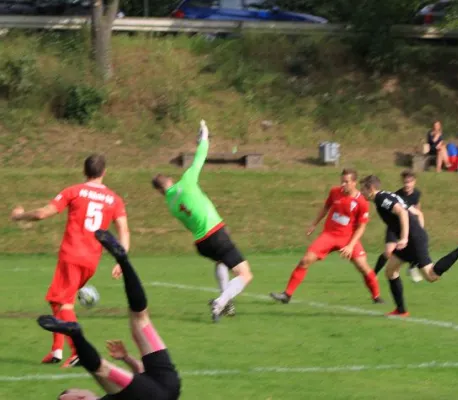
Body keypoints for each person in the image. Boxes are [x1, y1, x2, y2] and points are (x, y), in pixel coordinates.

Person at [10, 154, 129, 368]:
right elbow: (123, 230)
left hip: (71, 256)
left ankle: (78, 352)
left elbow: (43, 214)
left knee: (64, 302)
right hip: (92, 260)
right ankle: (56, 350)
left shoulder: (74, 191)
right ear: (104, 172)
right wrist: (122, 260)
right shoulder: (114, 199)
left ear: (84, 171)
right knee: (56, 299)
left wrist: (19, 216)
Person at [38, 229, 181, 400]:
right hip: (166, 381)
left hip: (163, 387)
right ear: (80, 398)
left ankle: (76, 333)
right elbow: (64, 398)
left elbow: (142, 375)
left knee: (104, 366)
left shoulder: (116, 392)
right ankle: (123, 261)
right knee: (140, 318)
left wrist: (127, 358)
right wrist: (66, 395)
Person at [151, 120, 253, 322]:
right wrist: (203, 136)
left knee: (220, 262)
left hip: (201, 242)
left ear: (159, 191)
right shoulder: (187, 181)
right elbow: (200, 156)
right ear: (170, 180)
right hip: (215, 233)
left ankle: (226, 303)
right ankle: (221, 301)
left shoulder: (171, 205)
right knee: (245, 274)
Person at [360, 175, 458, 317]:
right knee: (391, 271)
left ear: (370, 189)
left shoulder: (381, 199)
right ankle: (401, 310)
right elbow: (416, 212)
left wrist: (406, 237)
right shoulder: (387, 195)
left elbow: (402, 213)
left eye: (362, 189)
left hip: (412, 240)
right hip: (413, 237)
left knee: (431, 276)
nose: (361, 192)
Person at [270, 168, 383, 304]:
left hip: (348, 238)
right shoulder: (334, 192)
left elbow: (361, 226)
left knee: (363, 266)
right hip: (329, 236)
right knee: (305, 260)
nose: (343, 185)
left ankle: (377, 297)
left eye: (346, 182)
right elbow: (326, 208)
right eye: (342, 181)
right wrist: (314, 224)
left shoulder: (362, 202)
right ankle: (287, 295)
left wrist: (350, 246)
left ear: (354, 182)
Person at [373, 170, 424, 284]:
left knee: (410, 249)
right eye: (405, 182)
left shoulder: (417, 194)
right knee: (388, 252)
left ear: (414, 182)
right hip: (394, 227)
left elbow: (417, 210)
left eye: (409, 182)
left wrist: (419, 229)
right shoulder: (397, 195)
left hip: (406, 227)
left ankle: (409, 268)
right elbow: (398, 212)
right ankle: (373, 274)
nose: (407, 185)